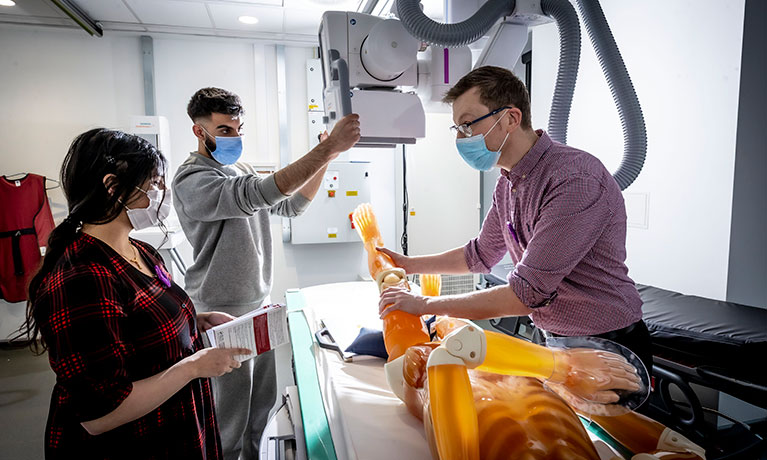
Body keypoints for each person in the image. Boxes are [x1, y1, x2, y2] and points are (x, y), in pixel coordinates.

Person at [377, 66, 652, 377]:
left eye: (468, 125)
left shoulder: (575, 179)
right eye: (457, 129)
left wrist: (423, 304)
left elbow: (525, 295)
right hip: (555, 340)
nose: (461, 139)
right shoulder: (508, 182)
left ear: (510, 118)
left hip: (608, 345)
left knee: (593, 428)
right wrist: (408, 265)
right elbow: (480, 255)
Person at [20, 128, 249, 459]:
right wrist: (192, 367)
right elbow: (100, 415)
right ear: (113, 187)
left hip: (173, 424)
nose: (162, 192)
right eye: (153, 183)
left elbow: (137, 322)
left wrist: (193, 321)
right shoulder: (82, 278)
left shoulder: (139, 250)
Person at [172, 87, 360, 459]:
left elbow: (291, 206)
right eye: (225, 129)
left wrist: (330, 156)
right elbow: (253, 195)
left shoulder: (240, 169)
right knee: (229, 416)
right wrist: (324, 149)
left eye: (238, 129)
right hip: (220, 310)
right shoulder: (192, 180)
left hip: (258, 303)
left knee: (262, 405)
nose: (235, 137)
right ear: (199, 131)